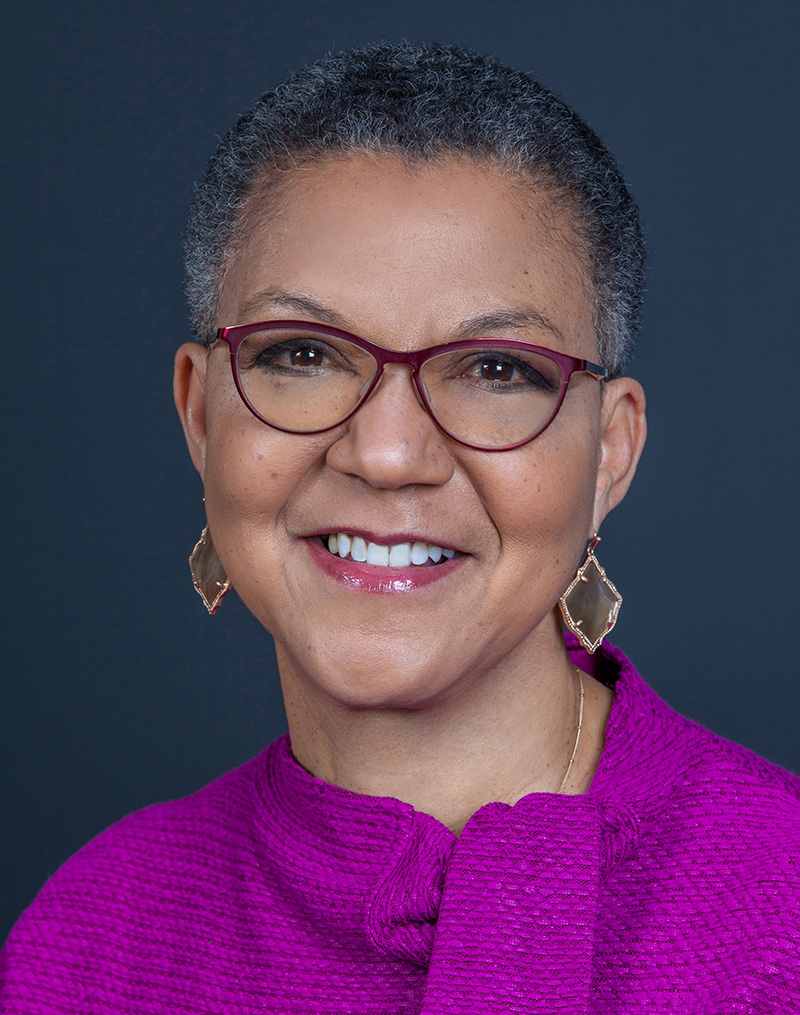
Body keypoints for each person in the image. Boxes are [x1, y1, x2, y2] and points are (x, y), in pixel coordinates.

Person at [1, 41, 798, 1014]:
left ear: (610, 453)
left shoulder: (776, 914)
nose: (384, 454)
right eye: (301, 352)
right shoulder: (96, 933)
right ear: (200, 415)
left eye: (495, 369)